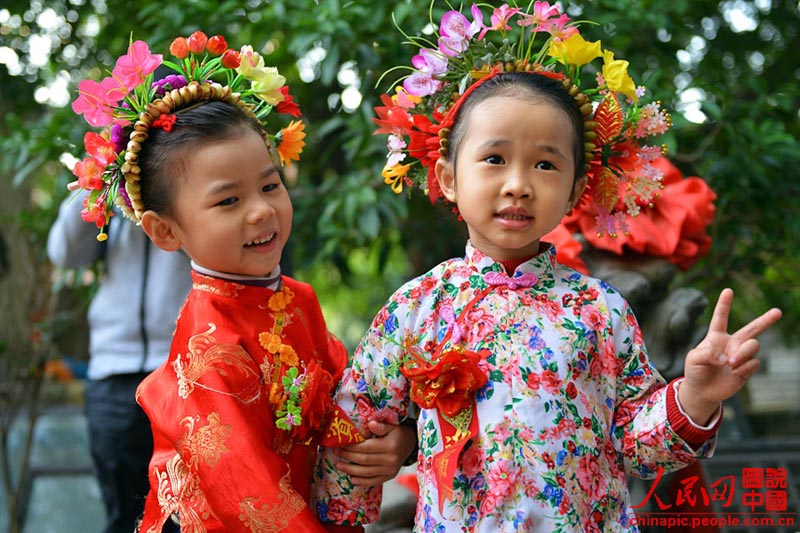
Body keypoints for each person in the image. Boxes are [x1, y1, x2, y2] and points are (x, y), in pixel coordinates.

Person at [311, 4, 782, 532]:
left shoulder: (601, 309)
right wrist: (366, 482)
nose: (518, 183)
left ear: (576, 190)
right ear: (447, 178)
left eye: (545, 163)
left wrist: (696, 395)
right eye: (494, 159)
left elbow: (638, 446)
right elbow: (352, 427)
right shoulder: (416, 309)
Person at [67, 31, 414, 532]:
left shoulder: (298, 299)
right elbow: (248, 491)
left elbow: (349, 400)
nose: (261, 211)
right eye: (228, 200)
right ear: (164, 230)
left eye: (270, 185)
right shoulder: (208, 344)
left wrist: (396, 440)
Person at [47, 192, 192, 533]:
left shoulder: (184, 170)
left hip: (182, 367)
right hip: (113, 370)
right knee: (124, 510)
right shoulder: (110, 188)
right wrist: (98, 179)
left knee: (187, 511)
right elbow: (65, 252)